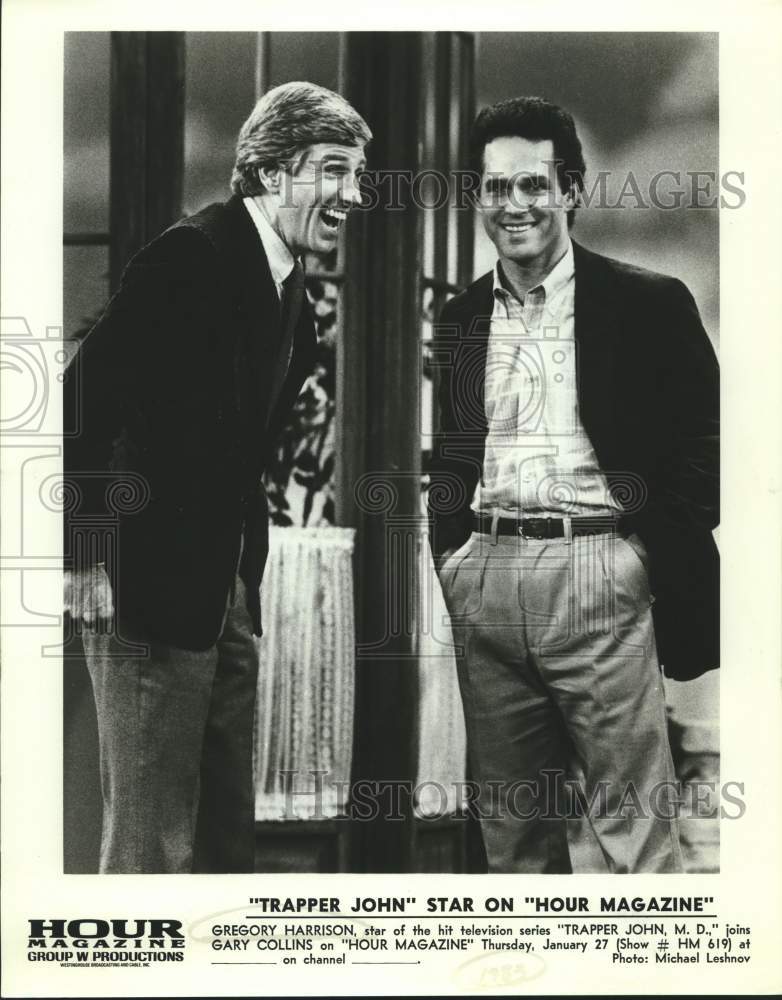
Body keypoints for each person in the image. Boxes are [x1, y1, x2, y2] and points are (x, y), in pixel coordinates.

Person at [63, 81, 371, 874]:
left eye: (357, 174)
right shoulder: (190, 256)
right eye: (334, 170)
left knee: (223, 834)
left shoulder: (288, 285)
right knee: (149, 841)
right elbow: (79, 402)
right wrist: (85, 558)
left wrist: (241, 578)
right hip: (143, 588)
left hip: (226, 588)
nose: (353, 194)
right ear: (272, 174)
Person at [428, 96, 718, 873]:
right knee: (513, 844)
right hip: (486, 580)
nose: (513, 204)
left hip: (600, 573)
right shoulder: (461, 319)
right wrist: (454, 561)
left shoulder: (648, 303)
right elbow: (453, 456)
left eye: (532, 184)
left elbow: (705, 445)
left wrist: (638, 561)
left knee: (637, 841)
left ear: (570, 190)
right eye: (496, 188)